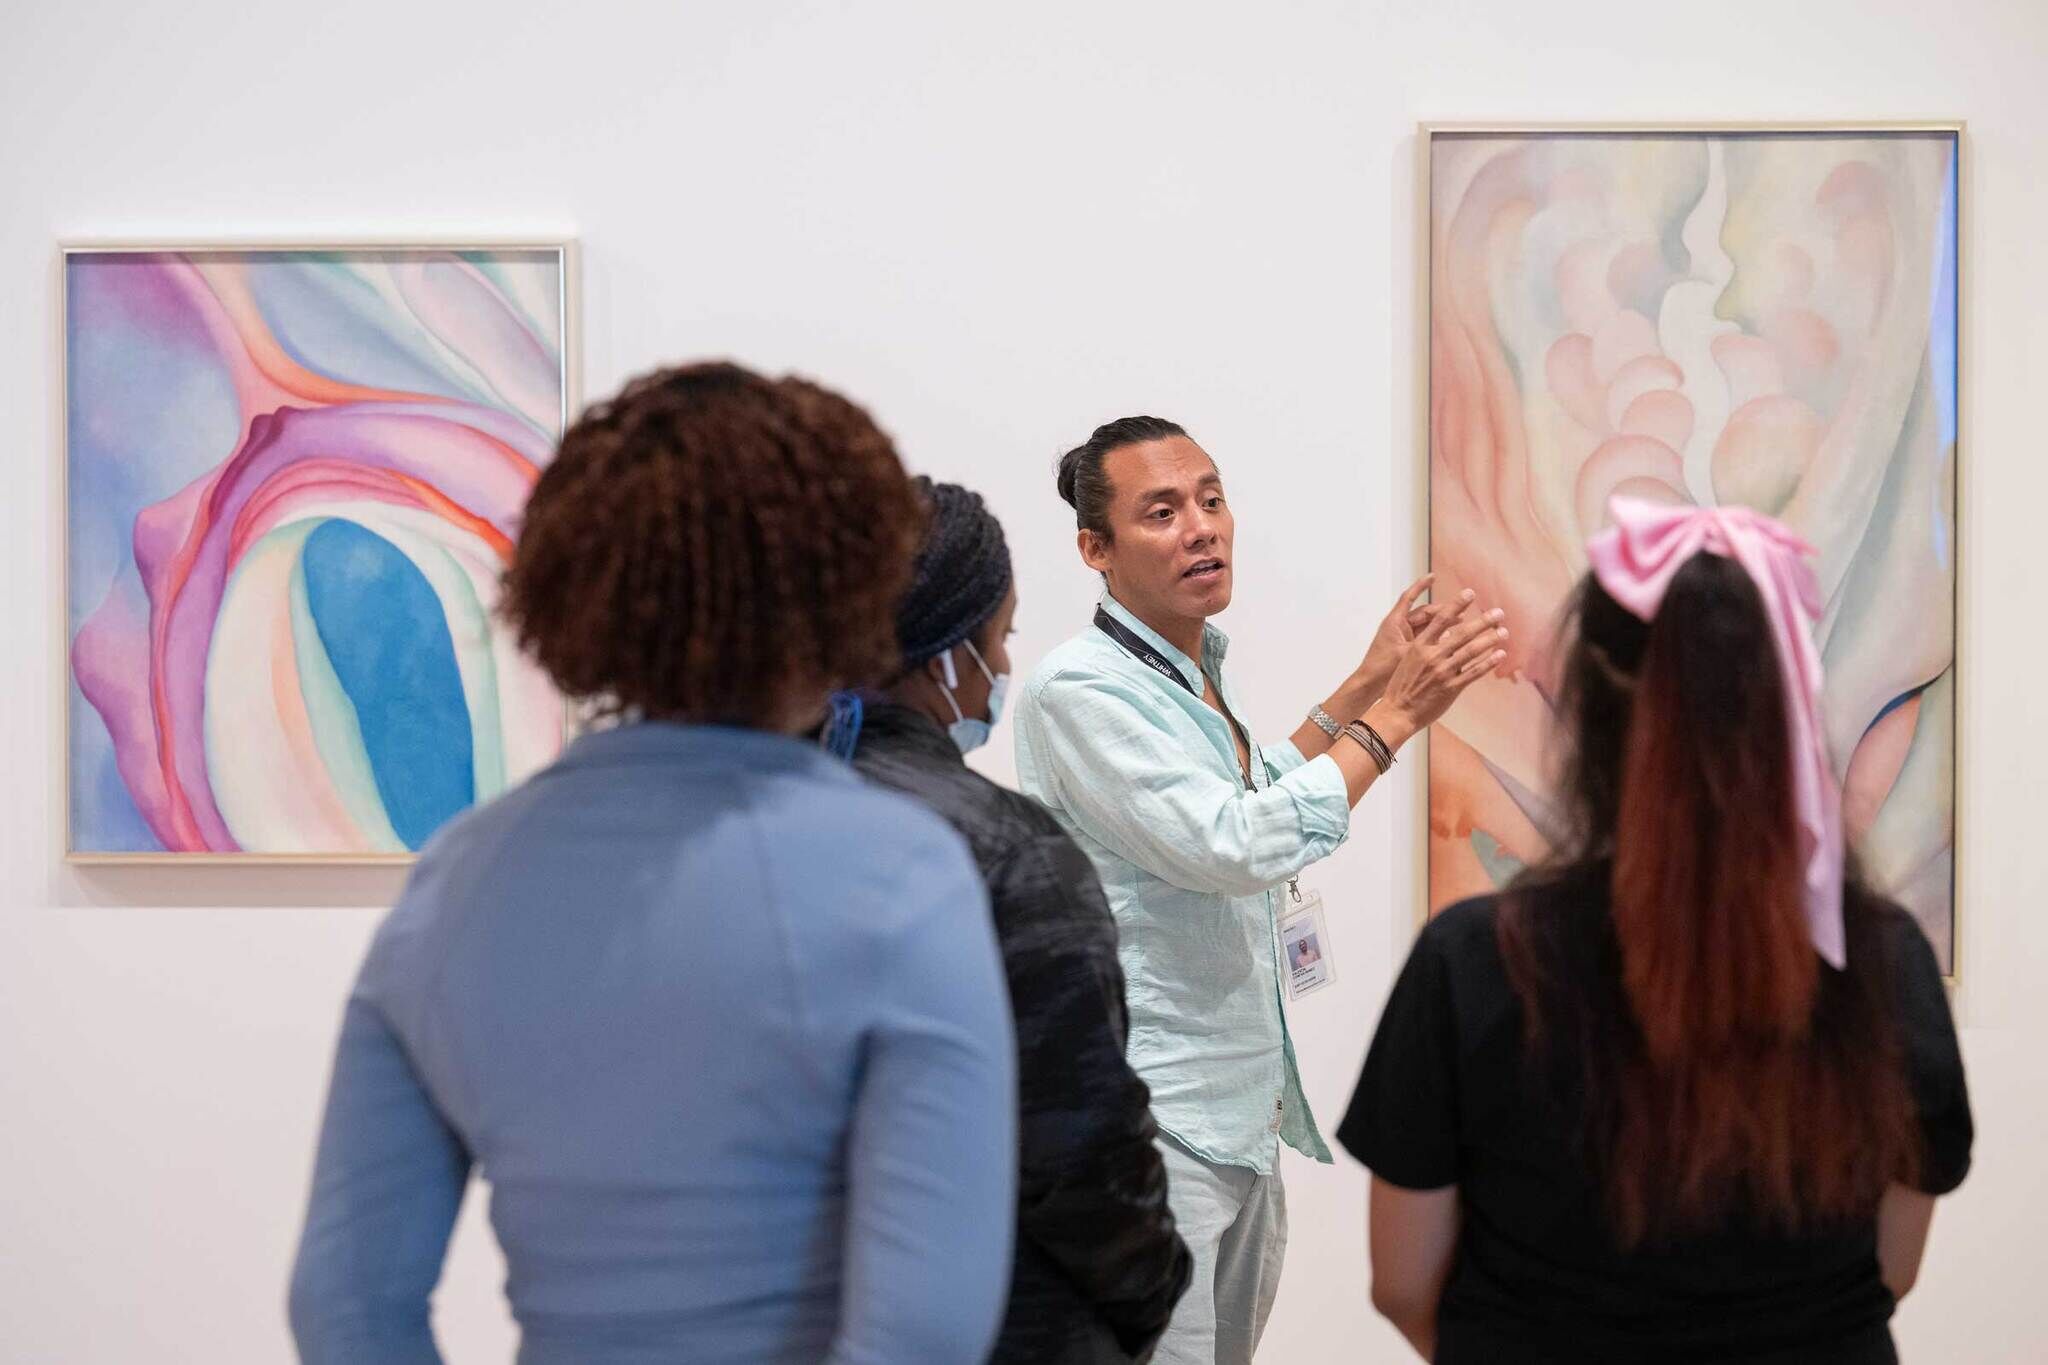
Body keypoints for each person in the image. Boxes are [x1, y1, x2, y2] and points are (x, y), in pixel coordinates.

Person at [288, 363, 1018, 1365]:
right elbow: (925, 1334)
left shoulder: (458, 882)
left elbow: (345, 1307)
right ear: (847, 596)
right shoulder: (899, 880)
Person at [1342, 498, 1974, 1364]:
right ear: (1790, 712)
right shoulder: (1883, 960)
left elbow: (1404, 1283)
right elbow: (1891, 1272)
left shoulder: (1474, 960)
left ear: (1591, 716)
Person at [1012, 415, 1507, 1365]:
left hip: (1237, 1121)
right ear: (1095, 550)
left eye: (1211, 498)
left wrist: (1369, 681)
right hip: (1157, 1127)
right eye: (1162, 512)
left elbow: (1248, 793)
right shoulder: (1079, 689)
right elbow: (1233, 843)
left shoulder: (1189, 672)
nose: (1203, 527)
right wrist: (1398, 716)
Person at [827, 478, 1194, 1364]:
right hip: (1005, 1319)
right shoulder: (1006, 854)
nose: (1001, 667)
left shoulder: (753, 826)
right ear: (951, 653)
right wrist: (1151, 1293)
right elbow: (1081, 1143)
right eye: (1000, 637)